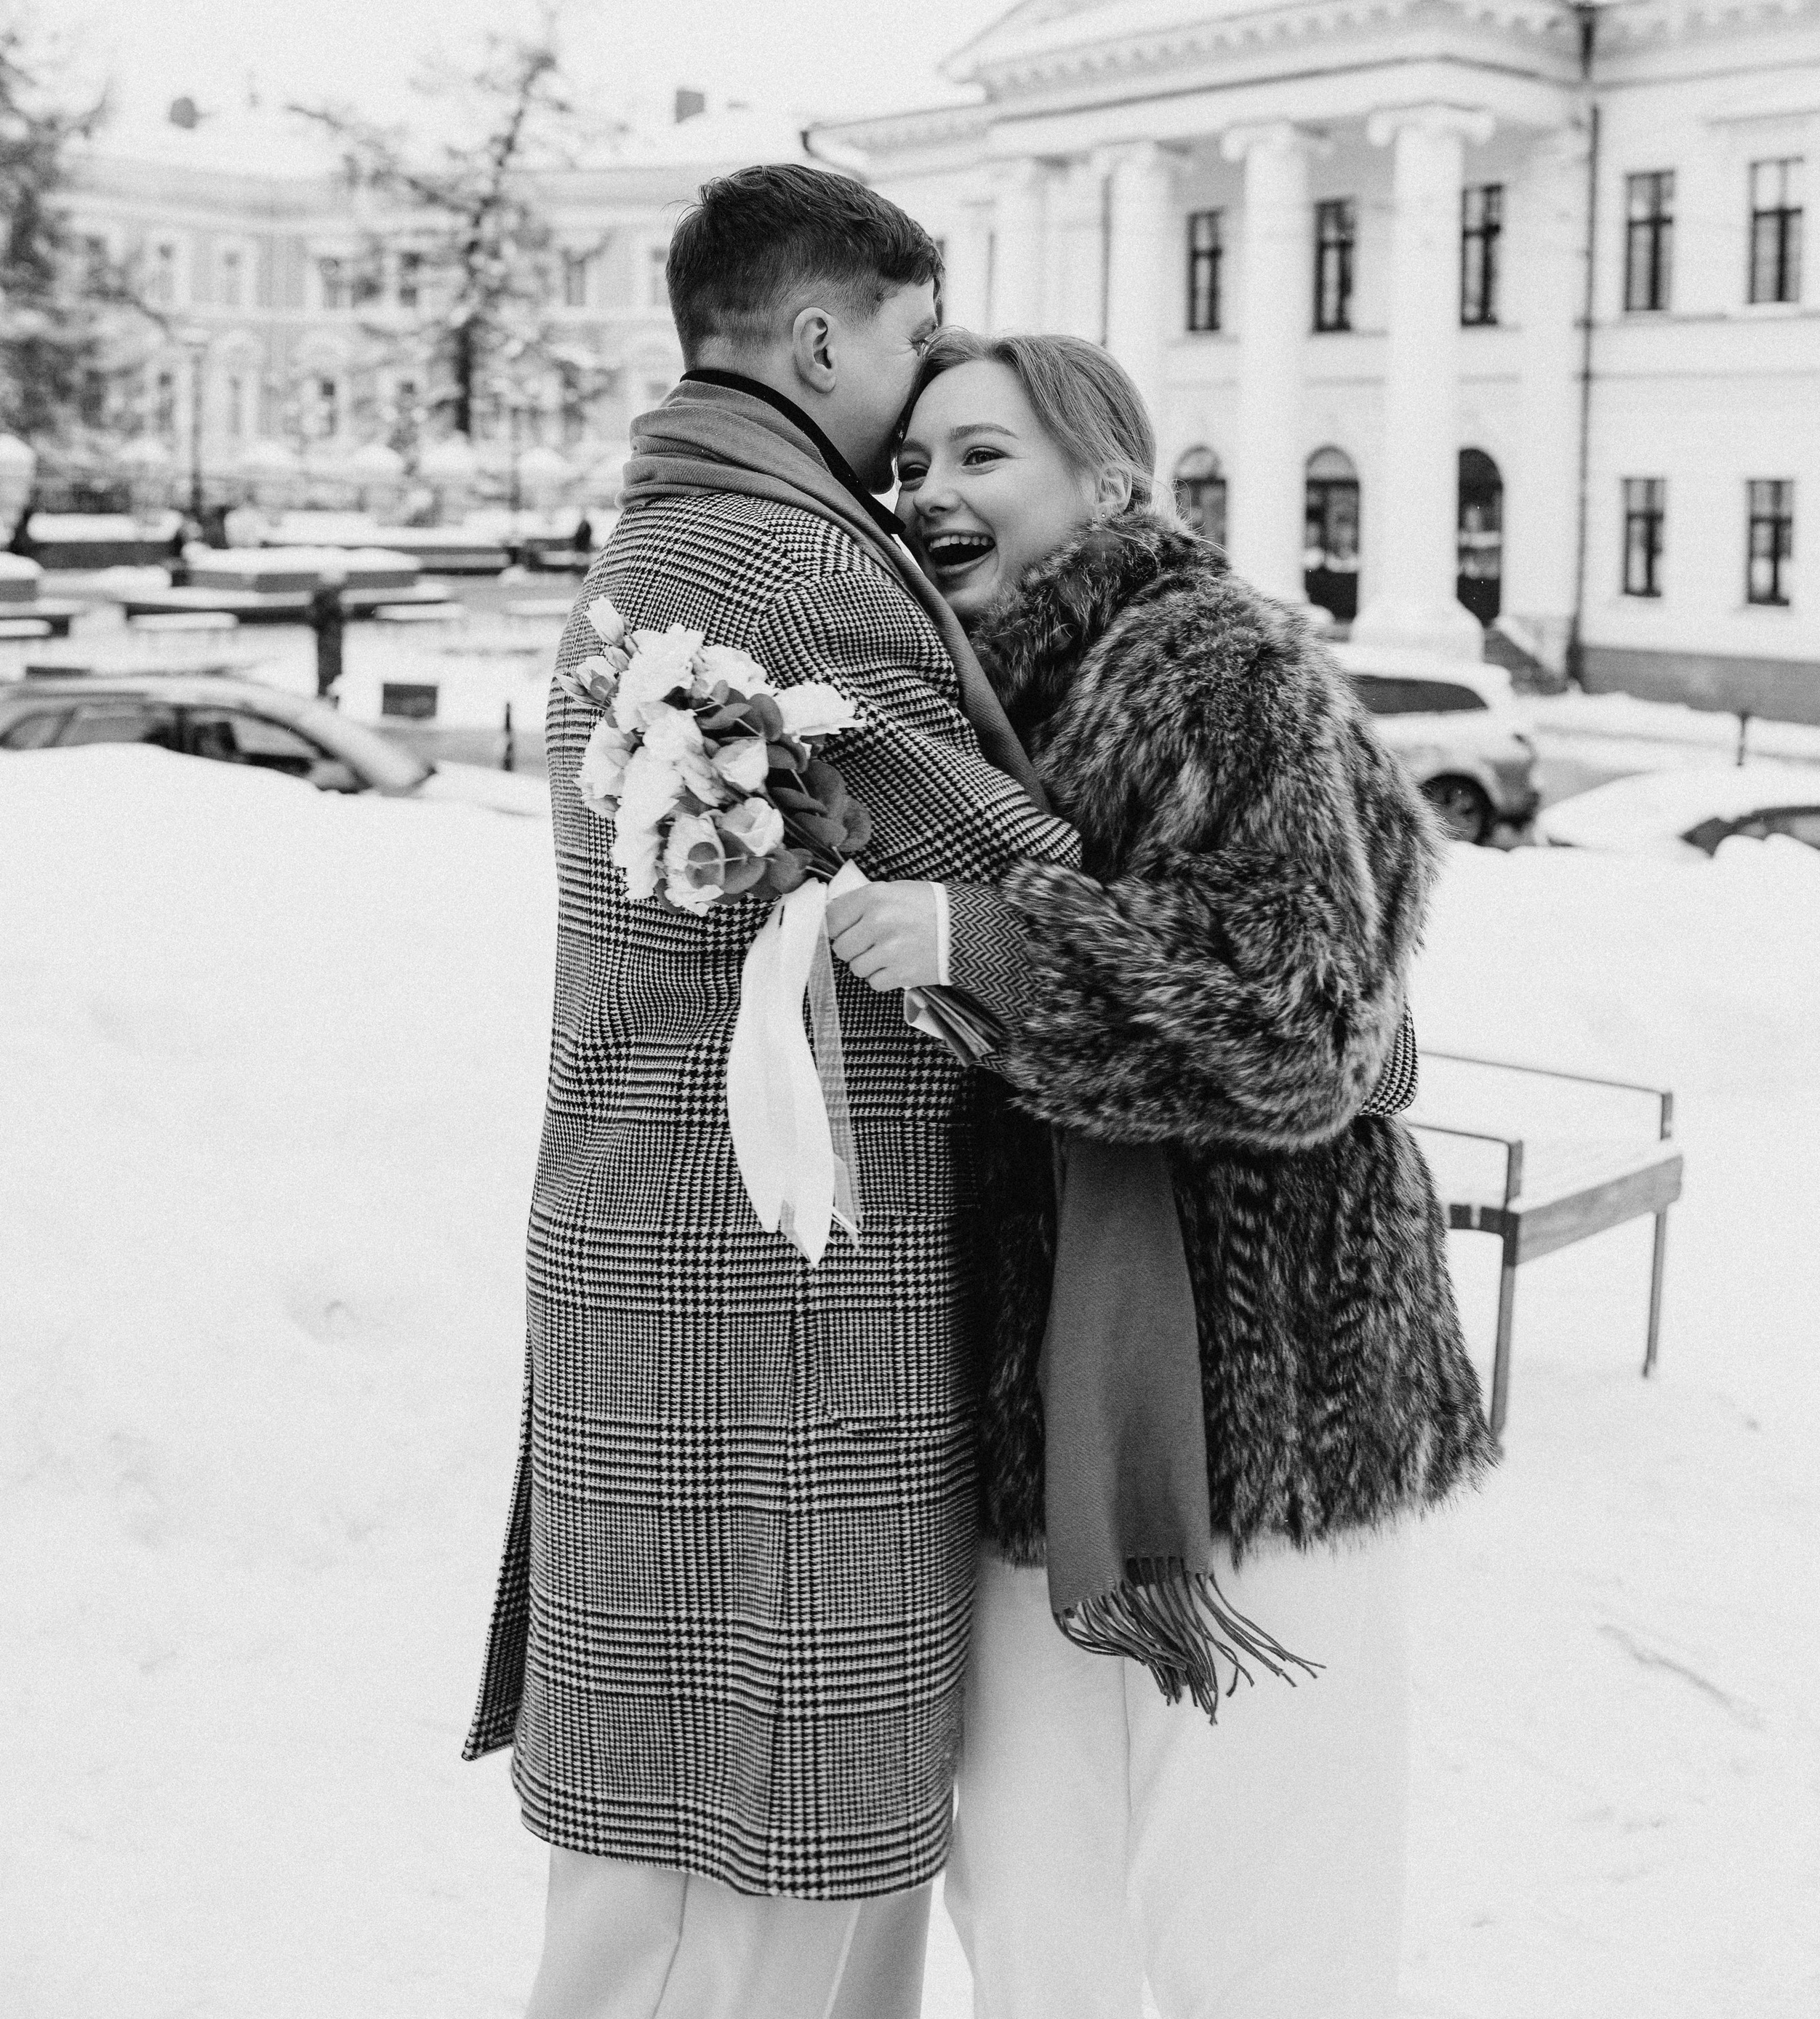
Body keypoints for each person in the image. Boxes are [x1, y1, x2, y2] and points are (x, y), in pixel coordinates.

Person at [463, 170, 1078, 2019]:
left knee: (668, 1849)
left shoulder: (662, 544)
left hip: (663, 1251)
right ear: (818, 337)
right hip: (783, 1300)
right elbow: (1037, 890)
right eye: (908, 345)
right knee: (765, 1847)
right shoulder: (799, 575)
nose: (922, 403)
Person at [827, 331, 1496, 2019]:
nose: (930, 492)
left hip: (1256, 1399)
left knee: (1257, 1907)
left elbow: (1298, 1016)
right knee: (1035, 1908)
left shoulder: (1211, 666)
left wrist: (987, 944)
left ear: (1107, 478)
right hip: (1026, 1402)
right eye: (910, 465)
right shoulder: (948, 701)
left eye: (981, 453)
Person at [307, 566, 346, 700]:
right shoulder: (329, 600)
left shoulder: (322, 599)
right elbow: (337, 616)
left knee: (327, 667)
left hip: (329, 637)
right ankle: (324, 692)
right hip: (330, 637)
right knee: (328, 667)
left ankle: (324, 691)